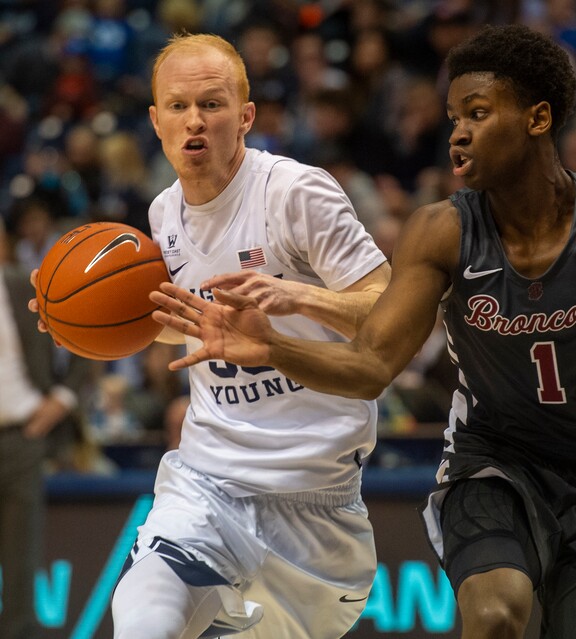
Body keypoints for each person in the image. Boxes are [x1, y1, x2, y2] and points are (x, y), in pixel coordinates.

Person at [148, 24, 576, 639]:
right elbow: (371, 367)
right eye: (453, 116)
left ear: (538, 118)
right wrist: (273, 346)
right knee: (493, 616)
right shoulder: (442, 231)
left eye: (478, 113)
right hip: (495, 464)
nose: (457, 132)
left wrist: (290, 305)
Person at [28, 32, 390, 639]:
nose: (194, 120)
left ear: (245, 116)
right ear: (155, 120)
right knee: (142, 619)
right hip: (206, 483)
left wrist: (290, 296)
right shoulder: (162, 214)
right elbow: (188, 326)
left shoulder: (296, 192)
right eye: (177, 106)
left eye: (212, 104)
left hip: (315, 505)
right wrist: (81, 325)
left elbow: (392, 312)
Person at [0, 217, 88, 639]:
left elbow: (83, 340)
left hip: (21, 437)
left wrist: (60, 402)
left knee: (20, 564)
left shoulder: (21, 287)